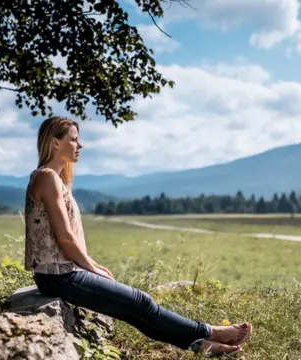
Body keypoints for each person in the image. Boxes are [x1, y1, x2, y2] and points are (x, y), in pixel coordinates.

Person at [25, 116, 252, 355]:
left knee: (131, 310)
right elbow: (65, 237)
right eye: (73, 139)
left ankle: (198, 345)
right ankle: (210, 331)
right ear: (55, 143)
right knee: (141, 301)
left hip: (61, 273)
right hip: (59, 276)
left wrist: (90, 266)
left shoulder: (54, 179)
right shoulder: (47, 177)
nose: (80, 146)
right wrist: (93, 267)